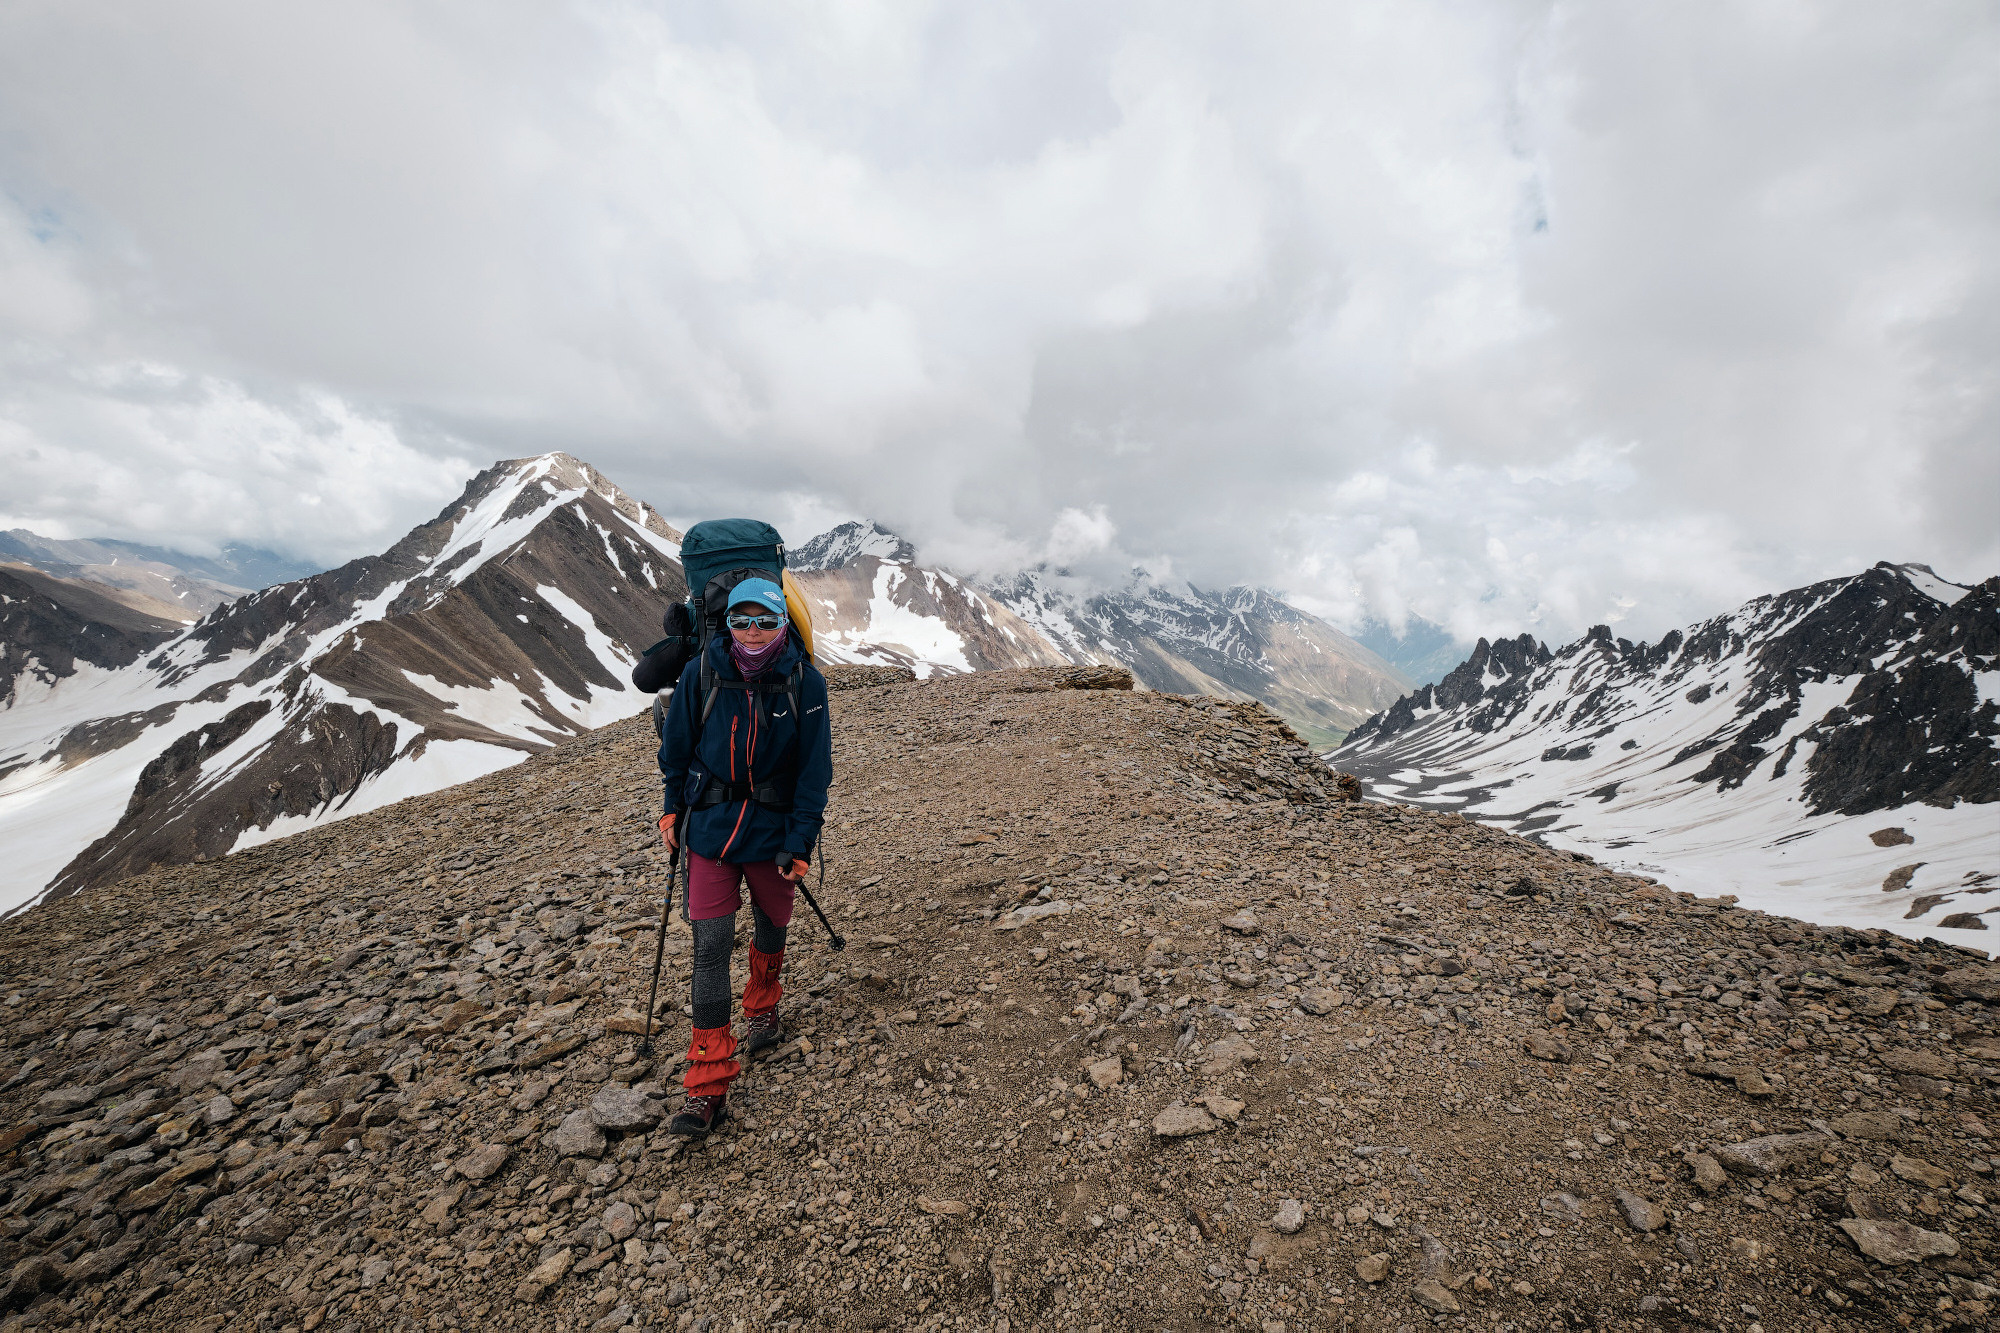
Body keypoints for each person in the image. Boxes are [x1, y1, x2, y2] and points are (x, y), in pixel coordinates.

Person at [654, 577, 831, 1136]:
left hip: (774, 831)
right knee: (709, 949)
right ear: (726, 623)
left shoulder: (806, 683)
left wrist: (801, 841)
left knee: (771, 924)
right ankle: (707, 1083)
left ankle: (762, 1002)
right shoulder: (702, 674)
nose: (753, 632)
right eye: (741, 621)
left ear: (784, 623)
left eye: (765, 621)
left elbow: (814, 771)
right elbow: (676, 749)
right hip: (709, 830)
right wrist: (670, 809)